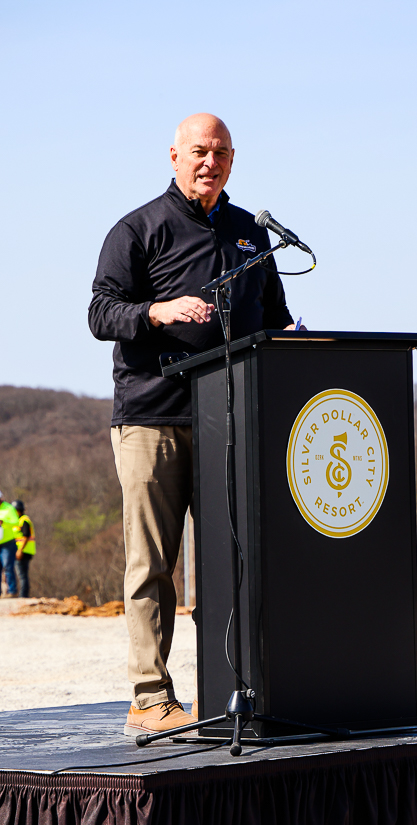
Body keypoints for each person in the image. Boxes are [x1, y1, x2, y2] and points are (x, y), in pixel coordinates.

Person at [89, 113, 298, 736]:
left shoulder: (250, 233)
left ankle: (230, 689)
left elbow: (278, 314)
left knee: (232, 560)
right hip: (153, 419)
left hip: (232, 419)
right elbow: (101, 312)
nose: (211, 162)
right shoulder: (137, 229)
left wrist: (297, 341)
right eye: (200, 152)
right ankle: (150, 698)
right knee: (152, 564)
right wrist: (158, 311)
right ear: (174, 156)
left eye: (223, 153)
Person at [12, 500, 36, 598]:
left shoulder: (24, 520)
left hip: (23, 551)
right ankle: (22, 595)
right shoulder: (18, 520)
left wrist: (20, 550)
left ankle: (23, 596)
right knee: (21, 574)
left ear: (18, 510)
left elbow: (26, 536)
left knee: (22, 575)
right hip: (23, 551)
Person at [0, 492, 20, 598]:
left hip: (7, 543)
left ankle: (12, 591)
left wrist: (3, 522)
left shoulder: (8, 508)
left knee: (8, 567)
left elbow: (16, 522)